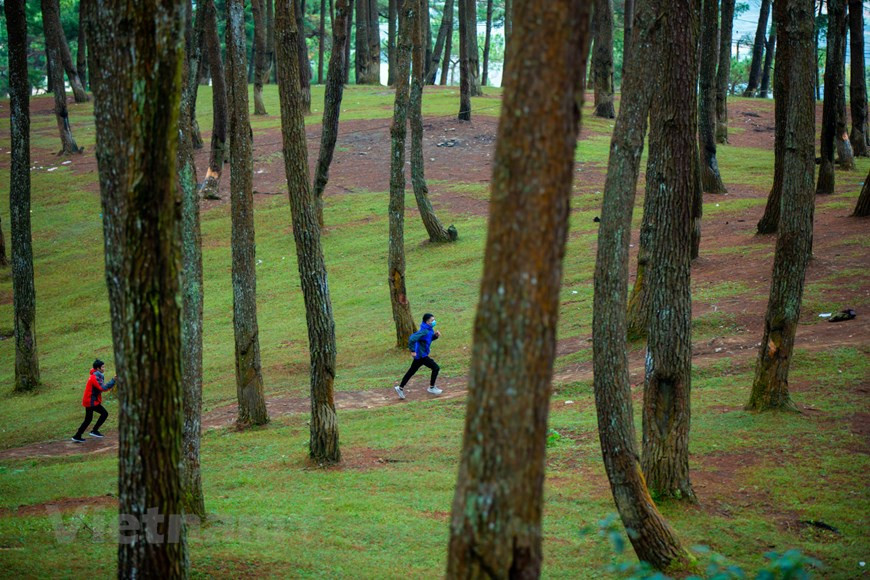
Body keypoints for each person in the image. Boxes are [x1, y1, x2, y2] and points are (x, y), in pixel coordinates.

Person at [395, 313, 443, 400]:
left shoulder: (429, 329)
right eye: (432, 320)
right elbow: (412, 339)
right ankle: (431, 388)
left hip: (420, 355)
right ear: (427, 321)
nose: (434, 321)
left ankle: (400, 388)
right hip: (421, 355)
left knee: (411, 371)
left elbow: (427, 339)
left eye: (434, 320)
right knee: (436, 368)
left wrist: (435, 336)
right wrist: (412, 351)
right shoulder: (424, 330)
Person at [71, 359, 117, 442]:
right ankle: (94, 431)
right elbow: (102, 388)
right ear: (98, 368)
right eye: (103, 367)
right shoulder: (95, 377)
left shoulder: (96, 375)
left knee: (88, 419)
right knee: (104, 413)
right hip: (91, 401)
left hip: (90, 401)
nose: (104, 368)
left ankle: (77, 436)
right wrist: (113, 380)